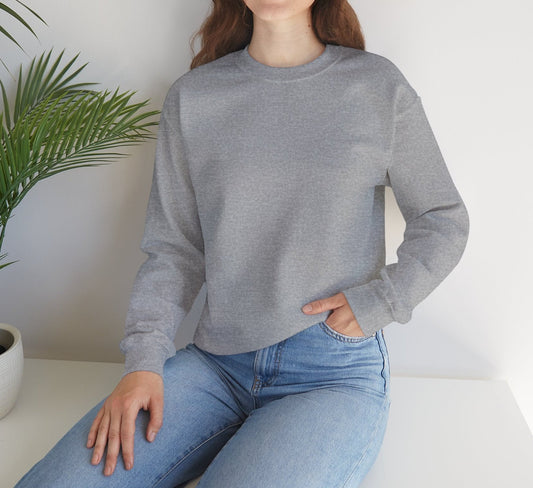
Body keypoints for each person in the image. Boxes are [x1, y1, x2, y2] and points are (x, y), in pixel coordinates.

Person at [14, 1, 470, 487]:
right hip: (215, 365)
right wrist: (143, 364)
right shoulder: (194, 96)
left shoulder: (376, 86)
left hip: (330, 373)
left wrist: (381, 301)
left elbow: (443, 218)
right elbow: (175, 249)